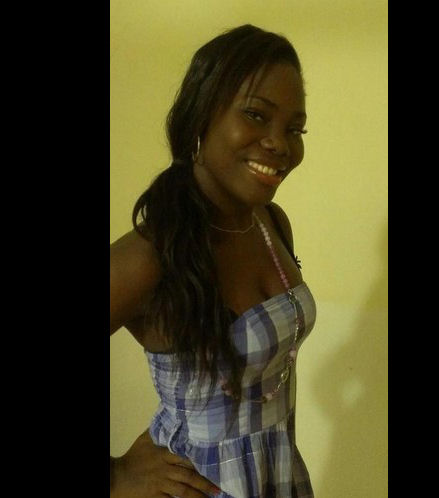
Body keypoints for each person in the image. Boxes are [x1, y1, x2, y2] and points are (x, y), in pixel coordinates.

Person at [110, 24, 316, 498]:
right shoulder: (151, 255)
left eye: (294, 129)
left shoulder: (271, 224)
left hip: (278, 475)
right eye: (256, 115)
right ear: (201, 114)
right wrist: (117, 475)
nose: (280, 144)